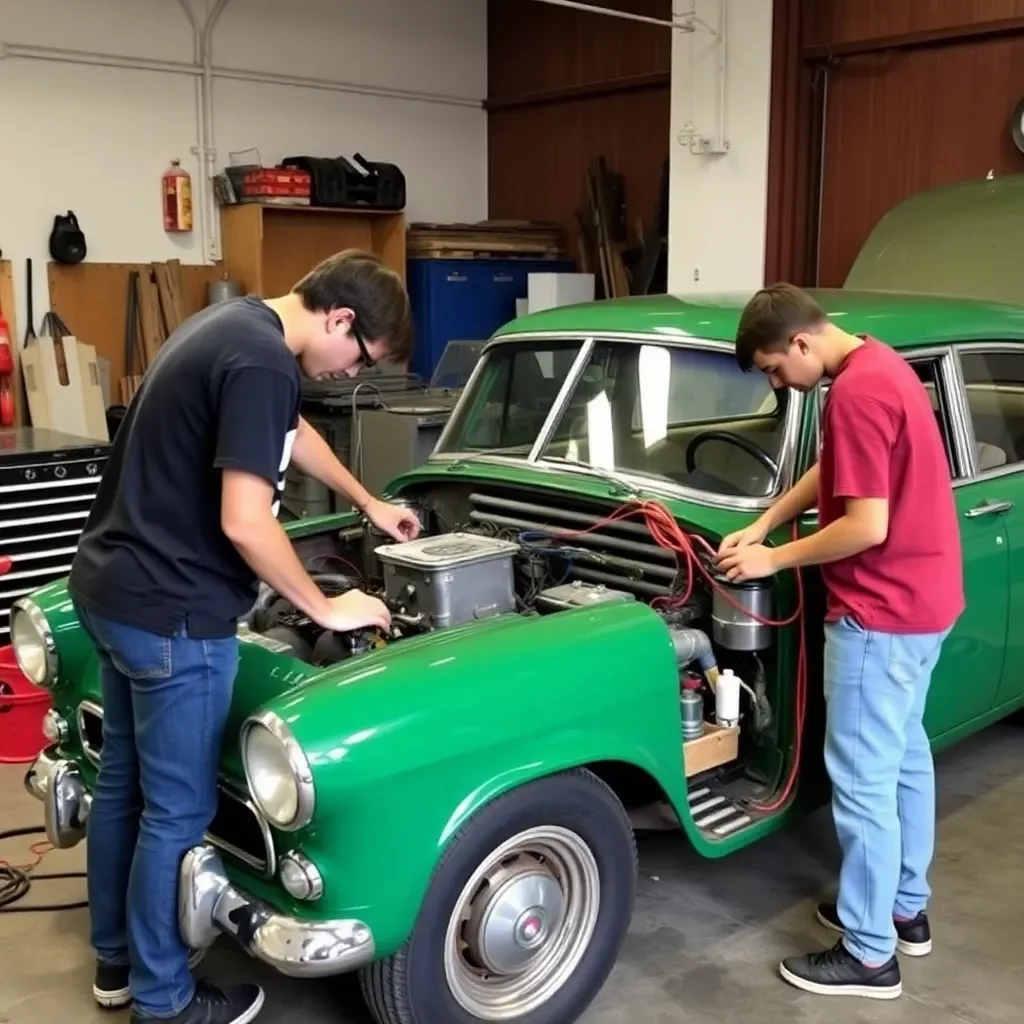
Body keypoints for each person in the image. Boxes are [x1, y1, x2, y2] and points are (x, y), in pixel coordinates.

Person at [67, 250, 421, 1024]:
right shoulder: (262, 360)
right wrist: (327, 611)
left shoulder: (233, 327)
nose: (348, 375)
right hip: (173, 615)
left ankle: (117, 965)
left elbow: (288, 430)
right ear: (341, 319)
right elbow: (244, 520)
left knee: (124, 786)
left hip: (111, 589)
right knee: (176, 815)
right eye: (360, 358)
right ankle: (166, 1005)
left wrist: (367, 501)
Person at [715, 283, 963, 1001]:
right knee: (906, 757)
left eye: (771, 369)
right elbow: (840, 471)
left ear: (799, 343)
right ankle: (902, 910)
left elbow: (866, 525)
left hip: (879, 614)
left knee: (862, 784)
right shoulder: (878, 365)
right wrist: (766, 520)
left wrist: (773, 558)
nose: (774, 383)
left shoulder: (853, 393)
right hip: (926, 602)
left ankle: (867, 954)